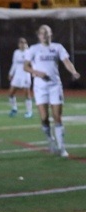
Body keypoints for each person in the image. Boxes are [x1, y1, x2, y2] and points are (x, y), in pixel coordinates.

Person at [24, 25, 81, 158]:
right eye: (42, 33)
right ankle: (50, 140)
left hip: (55, 86)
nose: (44, 35)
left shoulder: (57, 47)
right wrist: (36, 72)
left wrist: (73, 71)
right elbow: (25, 66)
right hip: (40, 87)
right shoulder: (33, 49)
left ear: (51, 34)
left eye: (47, 32)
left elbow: (66, 61)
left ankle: (62, 148)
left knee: (57, 117)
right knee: (44, 118)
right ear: (38, 35)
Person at [7, 38, 33, 119]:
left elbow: (33, 64)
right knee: (11, 93)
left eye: (24, 42)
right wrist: (11, 73)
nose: (22, 44)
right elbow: (14, 64)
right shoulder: (16, 52)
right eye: (21, 43)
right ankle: (14, 109)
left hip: (25, 75)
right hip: (17, 75)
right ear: (18, 44)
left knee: (26, 93)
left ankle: (29, 111)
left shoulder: (29, 52)